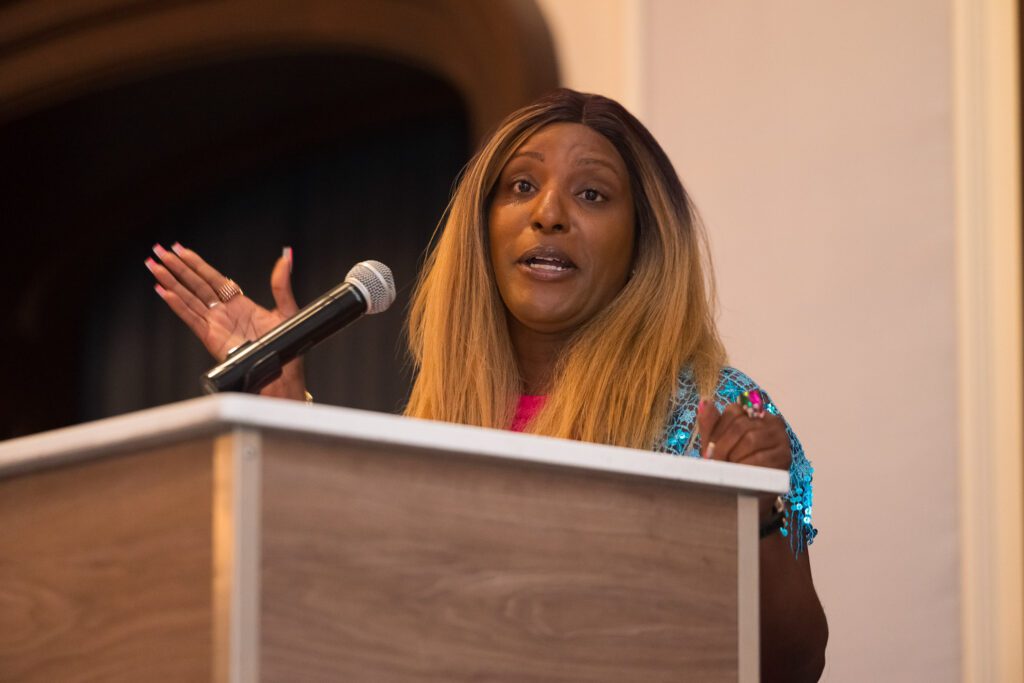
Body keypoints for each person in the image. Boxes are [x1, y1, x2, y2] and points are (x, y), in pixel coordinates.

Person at [146, 88, 827, 681]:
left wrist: (759, 511)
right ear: (483, 226)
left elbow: (792, 668)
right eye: (522, 187)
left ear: (642, 242)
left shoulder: (716, 410)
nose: (550, 213)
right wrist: (286, 411)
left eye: (591, 194)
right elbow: (347, 617)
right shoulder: (433, 426)